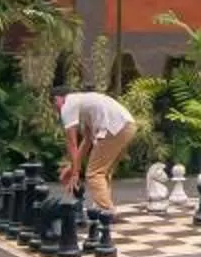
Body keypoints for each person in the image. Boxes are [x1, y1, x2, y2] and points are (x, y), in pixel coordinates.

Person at [55, 82, 139, 213]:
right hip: (128, 126)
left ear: (58, 98)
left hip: (115, 128)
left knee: (94, 173)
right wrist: (73, 167)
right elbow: (86, 141)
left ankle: (107, 212)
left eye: (55, 103)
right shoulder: (84, 102)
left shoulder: (68, 104)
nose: (56, 107)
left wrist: (75, 174)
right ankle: (103, 207)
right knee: (102, 172)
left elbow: (72, 143)